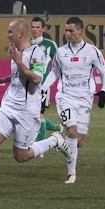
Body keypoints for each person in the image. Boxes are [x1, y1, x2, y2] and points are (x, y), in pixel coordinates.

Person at [0, 19, 72, 199]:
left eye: (10, 32)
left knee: (21, 156)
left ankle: (54, 141)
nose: (7, 34)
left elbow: (36, 78)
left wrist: (18, 61)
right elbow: (20, 75)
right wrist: (4, 79)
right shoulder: (17, 52)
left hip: (26, 111)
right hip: (9, 106)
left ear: (20, 34)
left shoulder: (37, 53)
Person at [40, 16, 105, 184]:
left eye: (71, 30)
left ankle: (56, 139)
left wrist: (104, 91)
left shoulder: (92, 51)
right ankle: (71, 173)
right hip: (66, 97)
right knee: (71, 131)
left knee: (78, 141)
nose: (67, 34)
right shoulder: (61, 52)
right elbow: (54, 73)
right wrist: (43, 88)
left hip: (85, 99)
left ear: (80, 31)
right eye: (66, 31)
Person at [30, 17, 63, 156]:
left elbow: (62, 60)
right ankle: (56, 127)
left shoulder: (49, 45)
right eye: (33, 27)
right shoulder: (27, 44)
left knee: (39, 115)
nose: (35, 30)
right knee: (32, 115)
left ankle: (40, 148)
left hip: (42, 86)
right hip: (28, 86)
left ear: (43, 29)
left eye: (38, 27)